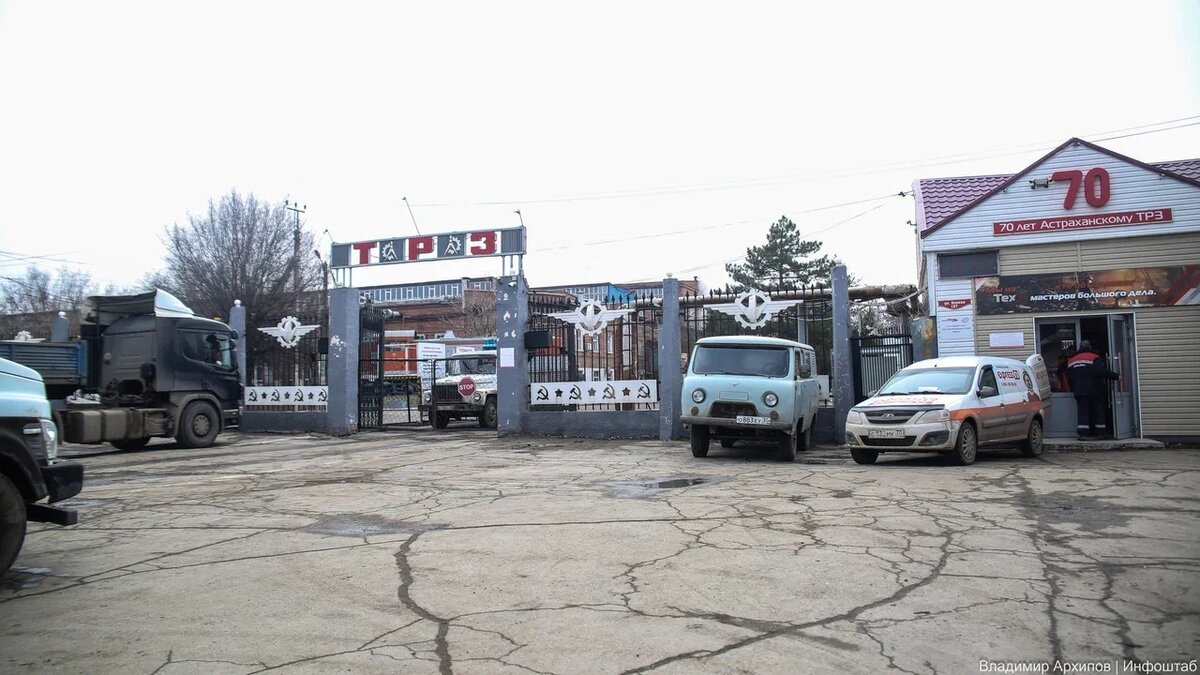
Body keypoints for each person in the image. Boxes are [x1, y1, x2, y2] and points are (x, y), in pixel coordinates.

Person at [1063, 340, 1119, 440]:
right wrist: (1116, 376)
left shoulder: (1072, 360)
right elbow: (1101, 371)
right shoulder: (1094, 357)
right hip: (1095, 390)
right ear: (1089, 347)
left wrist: (1073, 388)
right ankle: (1101, 433)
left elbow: (1068, 376)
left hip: (1079, 391)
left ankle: (1083, 434)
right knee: (1098, 411)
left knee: (1083, 411)